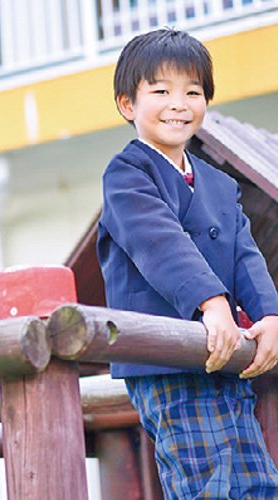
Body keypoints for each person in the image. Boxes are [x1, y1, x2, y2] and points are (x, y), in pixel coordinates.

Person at [97, 28, 278, 498]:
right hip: (167, 359)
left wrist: (270, 315)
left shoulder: (219, 184)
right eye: (161, 91)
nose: (179, 103)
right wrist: (211, 303)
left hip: (226, 358)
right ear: (127, 104)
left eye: (192, 92)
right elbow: (160, 242)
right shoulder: (126, 174)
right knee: (206, 483)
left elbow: (245, 253)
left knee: (257, 481)